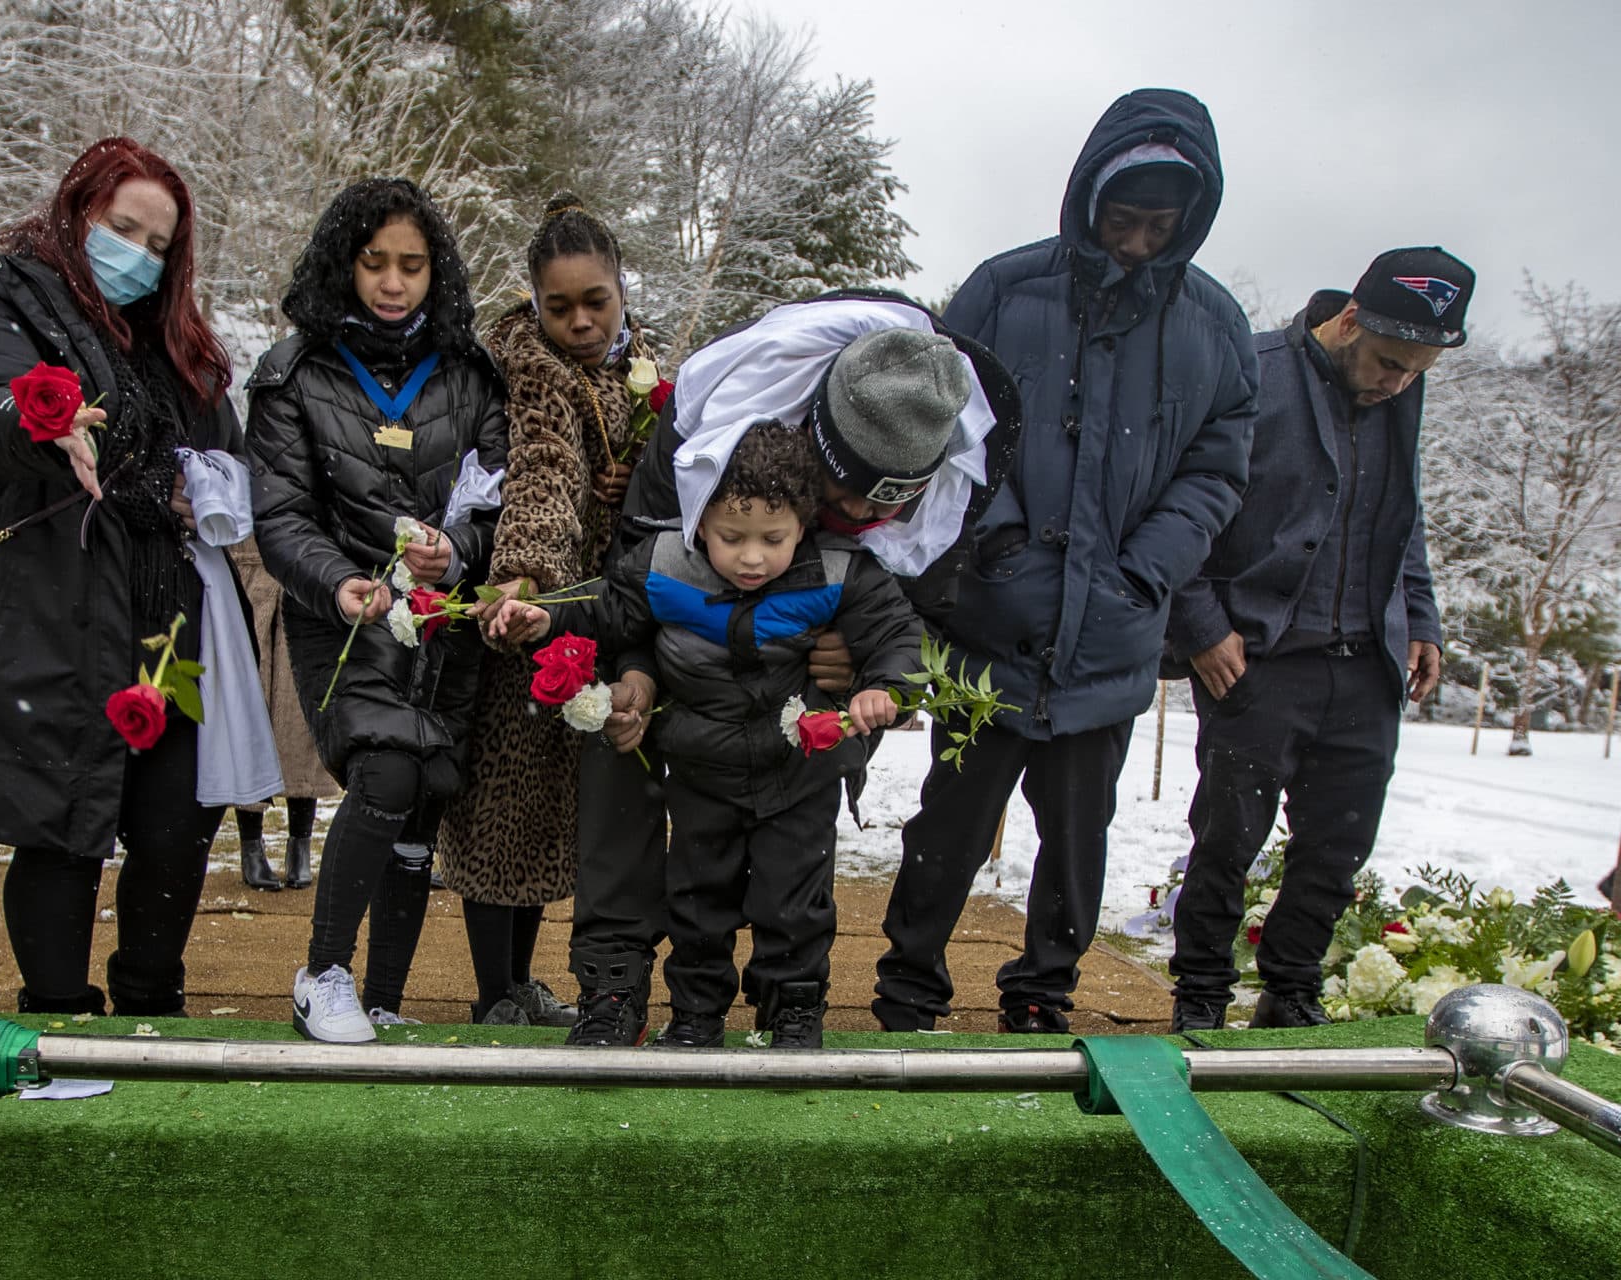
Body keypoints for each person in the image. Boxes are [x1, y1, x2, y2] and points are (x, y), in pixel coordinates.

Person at [874, 88, 1257, 1034]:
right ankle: (908, 985)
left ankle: (1045, 986)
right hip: (990, 618)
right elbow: (947, 417)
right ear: (1088, 198)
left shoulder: (1216, 326)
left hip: (1115, 629)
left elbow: (1218, 466)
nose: (1134, 243)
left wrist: (1143, 574)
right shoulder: (1007, 290)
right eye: (1121, 220)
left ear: (1191, 221)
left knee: (1079, 833)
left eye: (1158, 227)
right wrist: (996, 541)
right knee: (950, 823)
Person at [563, 297, 1022, 1046]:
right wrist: (642, 677)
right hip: (687, 668)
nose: (844, 514)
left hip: (803, 700)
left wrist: (859, 680)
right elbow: (639, 584)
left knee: (794, 876)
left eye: (871, 506)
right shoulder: (717, 420)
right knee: (634, 784)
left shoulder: (958, 475)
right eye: (833, 494)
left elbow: (912, 619)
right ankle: (614, 985)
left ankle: (792, 1004)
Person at [0, 137, 241, 1017]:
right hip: (55, 613)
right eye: (124, 230)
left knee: (174, 827)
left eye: (160, 245)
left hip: (168, 626)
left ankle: (154, 1007)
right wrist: (36, 421)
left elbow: (221, 445)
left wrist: (213, 488)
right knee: (61, 826)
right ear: (77, 215)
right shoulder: (3, 306)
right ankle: (58, 1013)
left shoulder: (175, 340)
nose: (140, 257)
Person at [490, 420, 922, 1047]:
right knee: (697, 901)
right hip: (701, 773)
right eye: (730, 537)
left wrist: (885, 686)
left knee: (794, 904)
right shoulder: (664, 566)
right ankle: (695, 1013)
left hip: (797, 771)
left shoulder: (837, 571)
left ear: (804, 523)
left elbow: (898, 634)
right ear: (698, 519)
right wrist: (543, 616)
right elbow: (606, 614)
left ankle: (794, 1010)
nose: (752, 557)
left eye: (773, 538)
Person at [1165, 248, 1471, 1030]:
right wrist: (1201, 627)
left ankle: (1290, 995)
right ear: (1347, 321)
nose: (1398, 382)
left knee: (1338, 848)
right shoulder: (1253, 371)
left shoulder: (1403, 390)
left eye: (1416, 371)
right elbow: (1178, 507)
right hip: (1257, 658)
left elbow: (1403, 516)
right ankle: (1199, 994)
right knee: (1227, 840)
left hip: (1367, 663)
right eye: (1389, 363)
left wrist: (1422, 617)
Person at [248, 177, 508, 1042]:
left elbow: (495, 501)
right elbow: (281, 516)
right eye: (374, 264)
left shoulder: (471, 374)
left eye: (413, 265)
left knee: (427, 787)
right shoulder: (293, 373)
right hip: (346, 617)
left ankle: (386, 994)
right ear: (344, 264)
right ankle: (322, 973)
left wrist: (458, 553)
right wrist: (340, 581)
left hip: (441, 622)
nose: (393, 283)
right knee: (387, 768)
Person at [435, 195, 653, 1027]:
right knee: (503, 814)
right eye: (558, 306)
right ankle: (496, 995)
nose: (580, 320)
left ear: (621, 290)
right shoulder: (526, 369)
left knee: (546, 821)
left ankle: (520, 983)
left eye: (595, 301)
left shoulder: (647, 368)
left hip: (603, 613)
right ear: (532, 301)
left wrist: (639, 480)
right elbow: (540, 475)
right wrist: (525, 579)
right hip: (528, 615)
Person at [227, 537, 339, 891]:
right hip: (246, 576)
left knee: (301, 718)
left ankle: (299, 846)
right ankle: (251, 846)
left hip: (300, 579)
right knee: (249, 711)